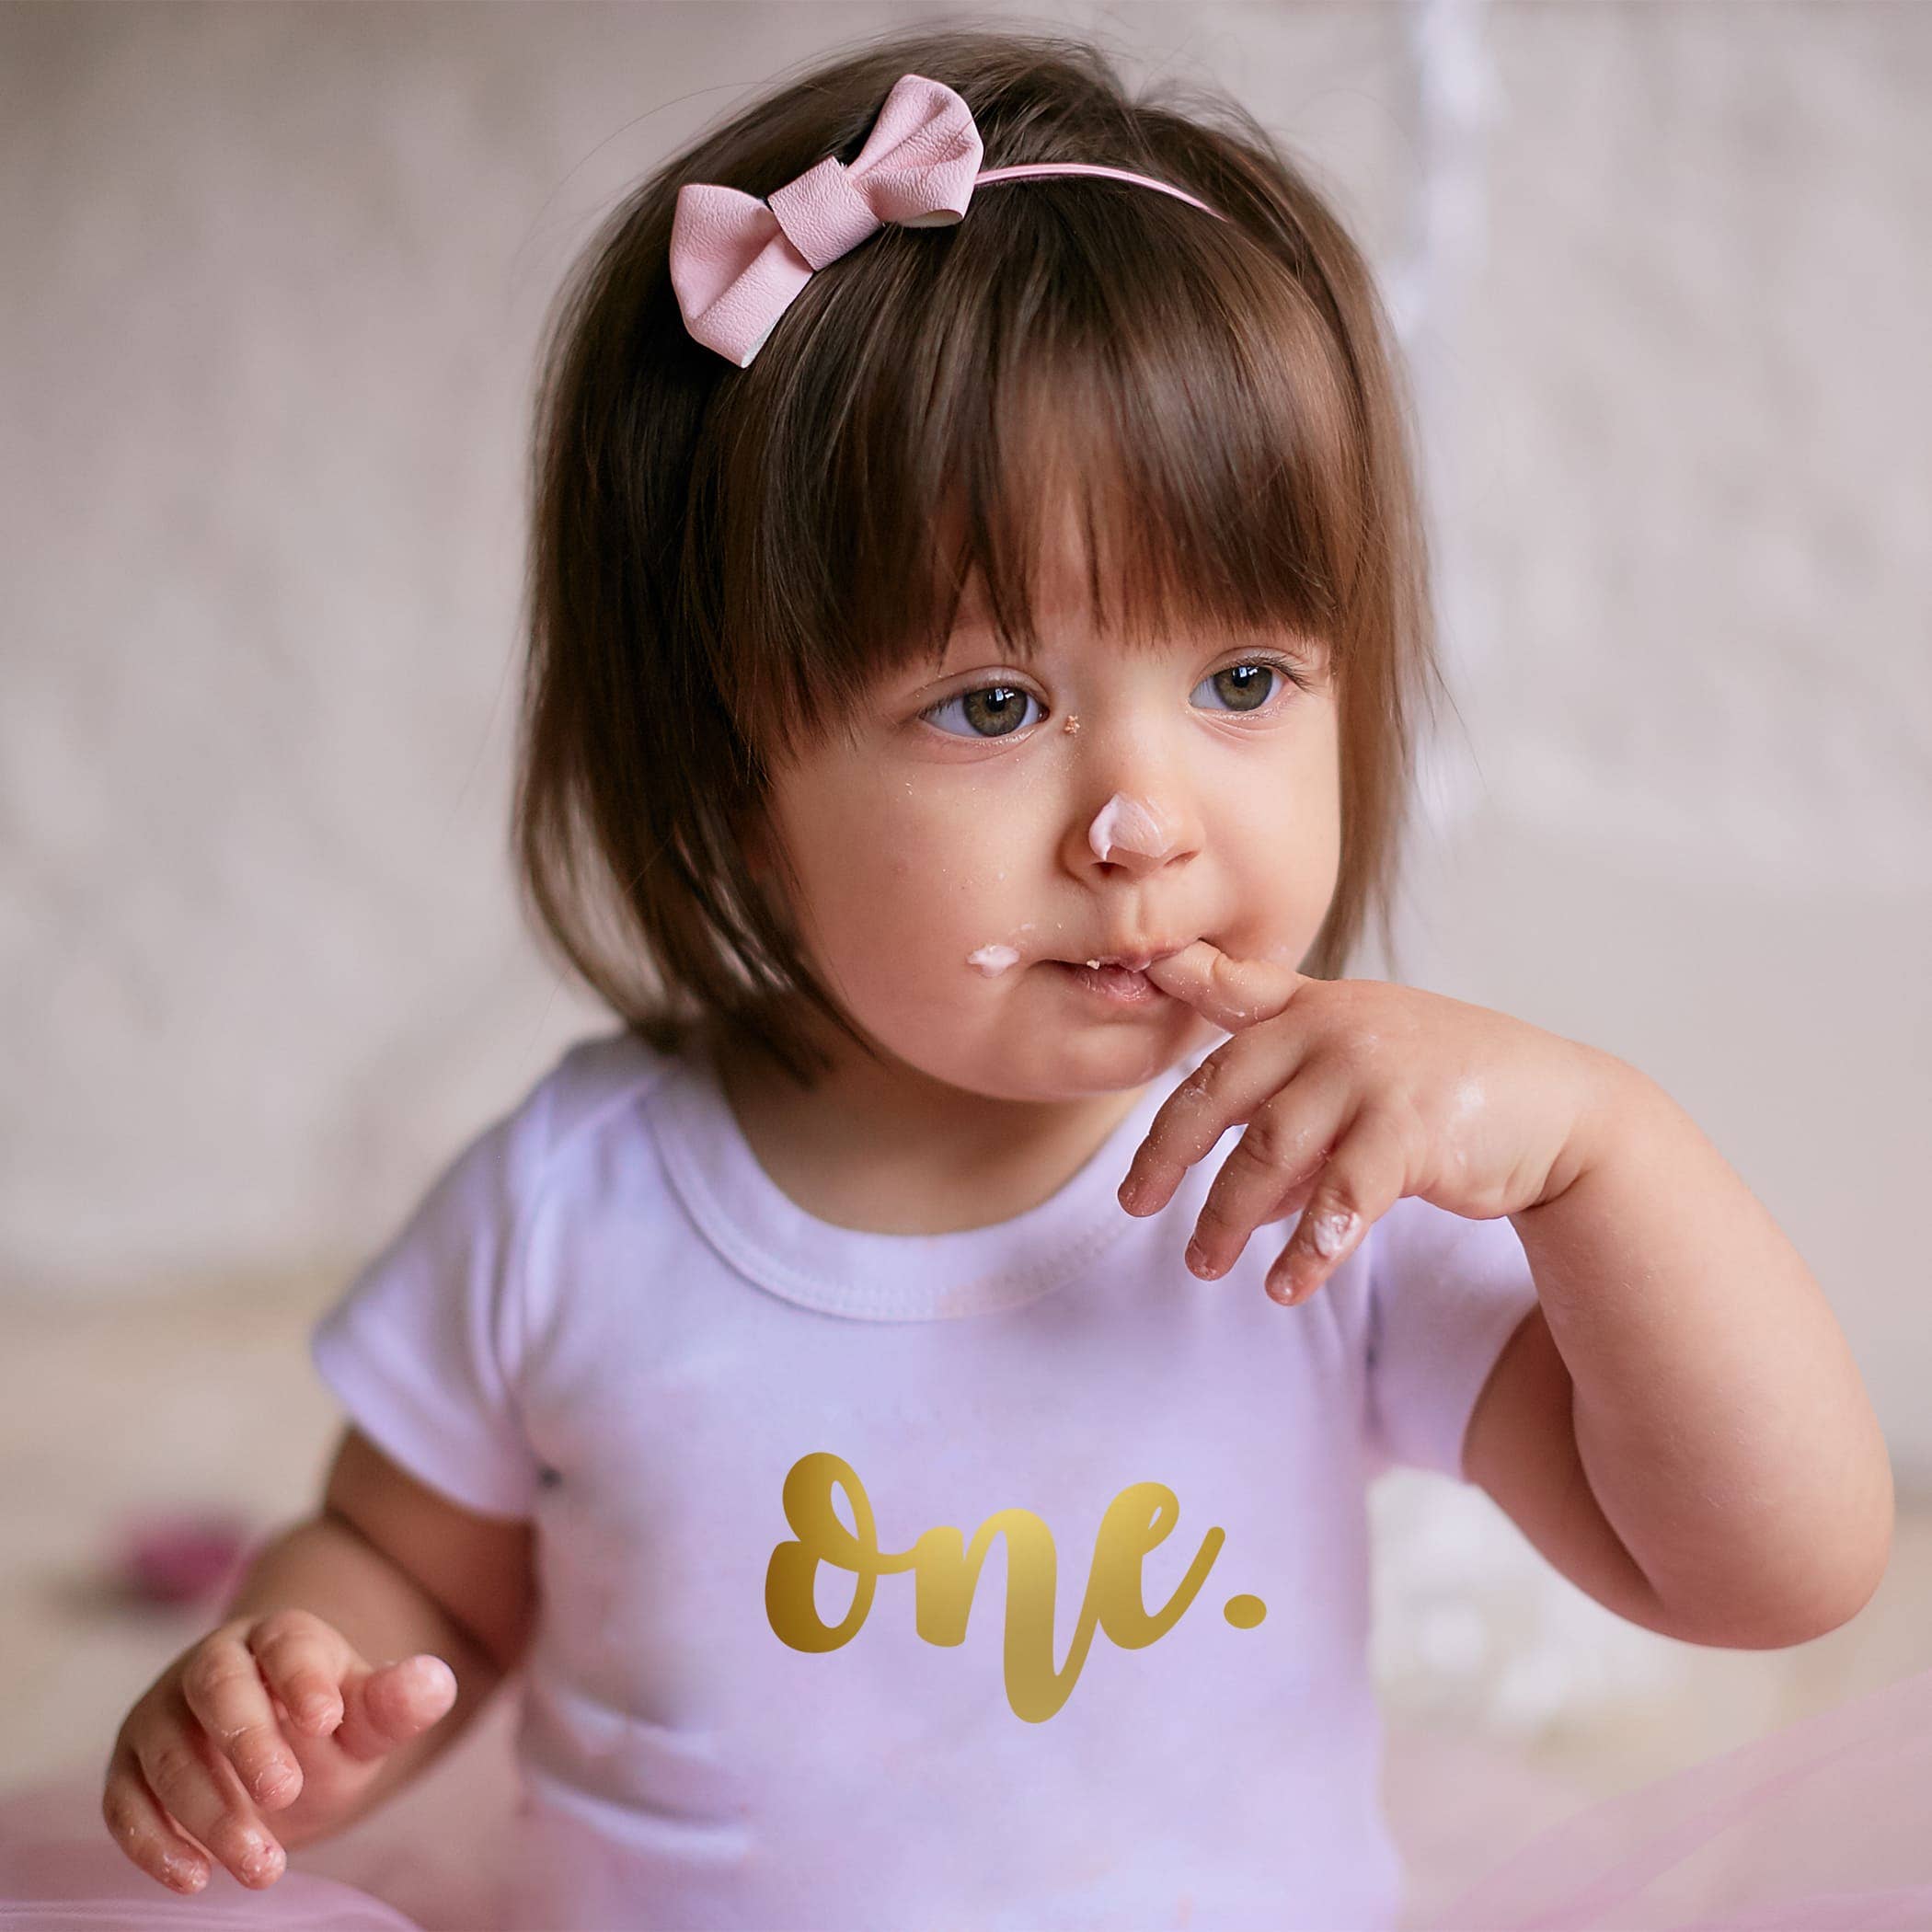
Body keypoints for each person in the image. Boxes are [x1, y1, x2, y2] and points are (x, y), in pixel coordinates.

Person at [0, 24, 1916, 1932]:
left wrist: (1609, 1158)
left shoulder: (1317, 1186)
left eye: (1243, 680)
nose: (1143, 821)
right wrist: (295, 1700)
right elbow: (411, 1572)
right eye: (994, 705)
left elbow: (1773, 1572)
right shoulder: (579, 1205)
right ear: (735, 776)